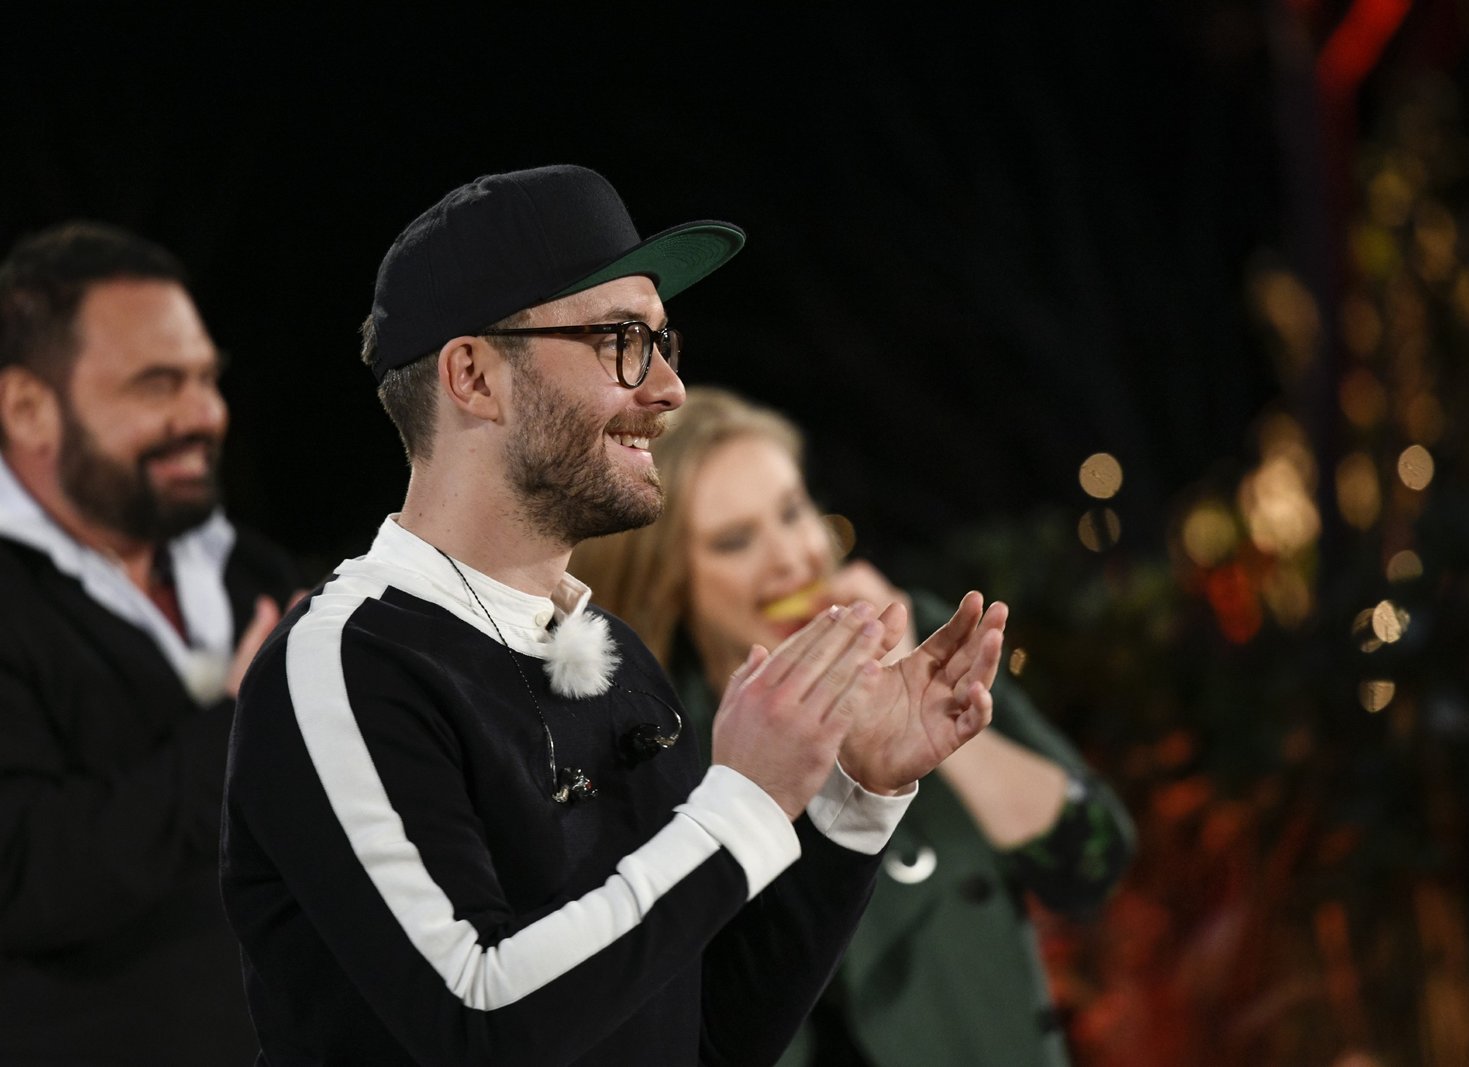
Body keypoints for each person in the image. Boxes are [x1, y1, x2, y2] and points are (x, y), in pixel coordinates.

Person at [219, 164, 1011, 1067]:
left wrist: (851, 797)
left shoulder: (613, 658)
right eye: (620, 340)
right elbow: (475, 1018)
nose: (669, 387)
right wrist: (743, 802)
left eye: (662, 339)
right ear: (473, 375)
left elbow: (704, 1038)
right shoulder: (344, 662)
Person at [569, 385, 1138, 1067]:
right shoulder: (653, 743)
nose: (791, 558)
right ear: (667, 578)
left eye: (792, 512)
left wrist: (937, 720)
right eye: (736, 541)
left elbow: (1094, 861)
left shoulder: (928, 635)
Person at [0, 221, 304, 1065]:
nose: (205, 414)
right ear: (26, 407)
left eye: (207, 377)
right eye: (157, 384)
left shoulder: (256, 572)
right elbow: (22, 875)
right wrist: (246, 725)